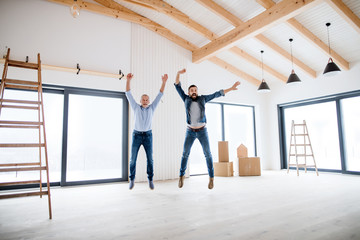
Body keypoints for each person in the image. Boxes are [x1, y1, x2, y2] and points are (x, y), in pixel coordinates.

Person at [175, 68, 240, 189]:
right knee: (185, 154)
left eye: (195, 90)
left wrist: (231, 88)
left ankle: (211, 178)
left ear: (197, 92)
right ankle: (181, 176)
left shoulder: (203, 99)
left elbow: (217, 94)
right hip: (190, 131)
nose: (193, 92)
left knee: (208, 154)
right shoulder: (186, 99)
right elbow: (177, 86)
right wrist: (178, 74)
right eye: (191, 90)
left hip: (202, 131)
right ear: (189, 93)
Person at [126, 73, 168, 190]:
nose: (145, 101)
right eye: (143, 99)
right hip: (136, 135)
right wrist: (128, 80)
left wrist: (164, 82)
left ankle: (150, 179)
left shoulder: (152, 108)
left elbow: (160, 95)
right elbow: (128, 94)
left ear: (149, 101)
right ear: (140, 101)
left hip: (148, 136)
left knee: (150, 159)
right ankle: (132, 179)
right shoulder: (135, 107)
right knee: (133, 159)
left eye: (146, 99)